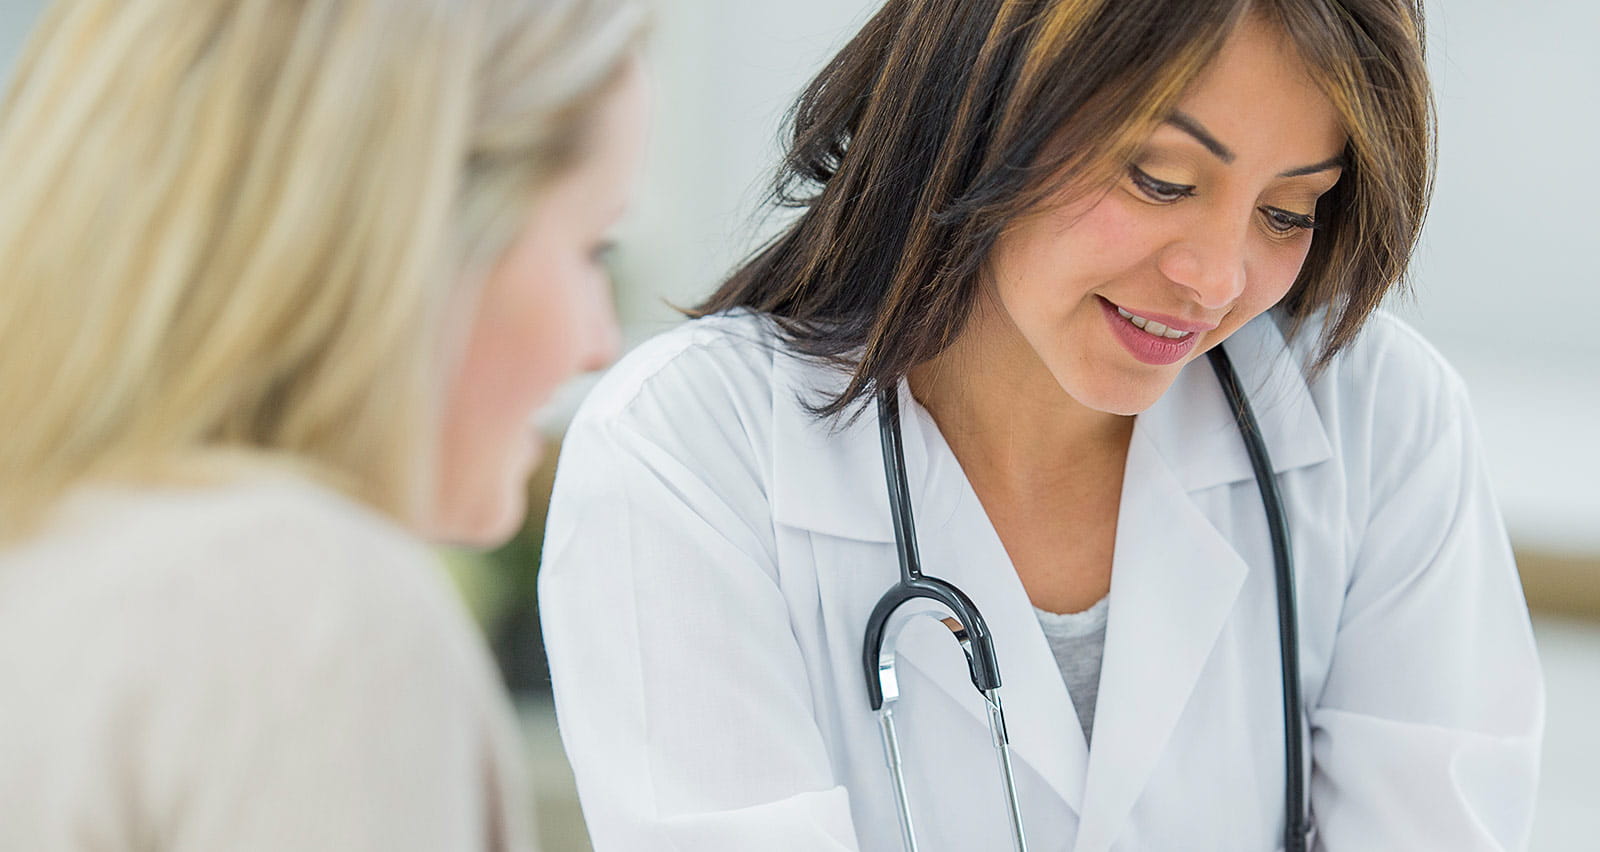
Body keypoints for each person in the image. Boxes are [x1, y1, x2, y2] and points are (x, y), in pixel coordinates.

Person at [538, 0, 1543, 849]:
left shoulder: (1378, 420)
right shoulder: (690, 453)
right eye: (1160, 179)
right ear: (979, 99)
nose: (1217, 278)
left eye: (1287, 212)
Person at [0, 0, 646, 848]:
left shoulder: (52, 565)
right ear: (422, 236)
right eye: (592, 249)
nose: (601, 343)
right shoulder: (314, 616)